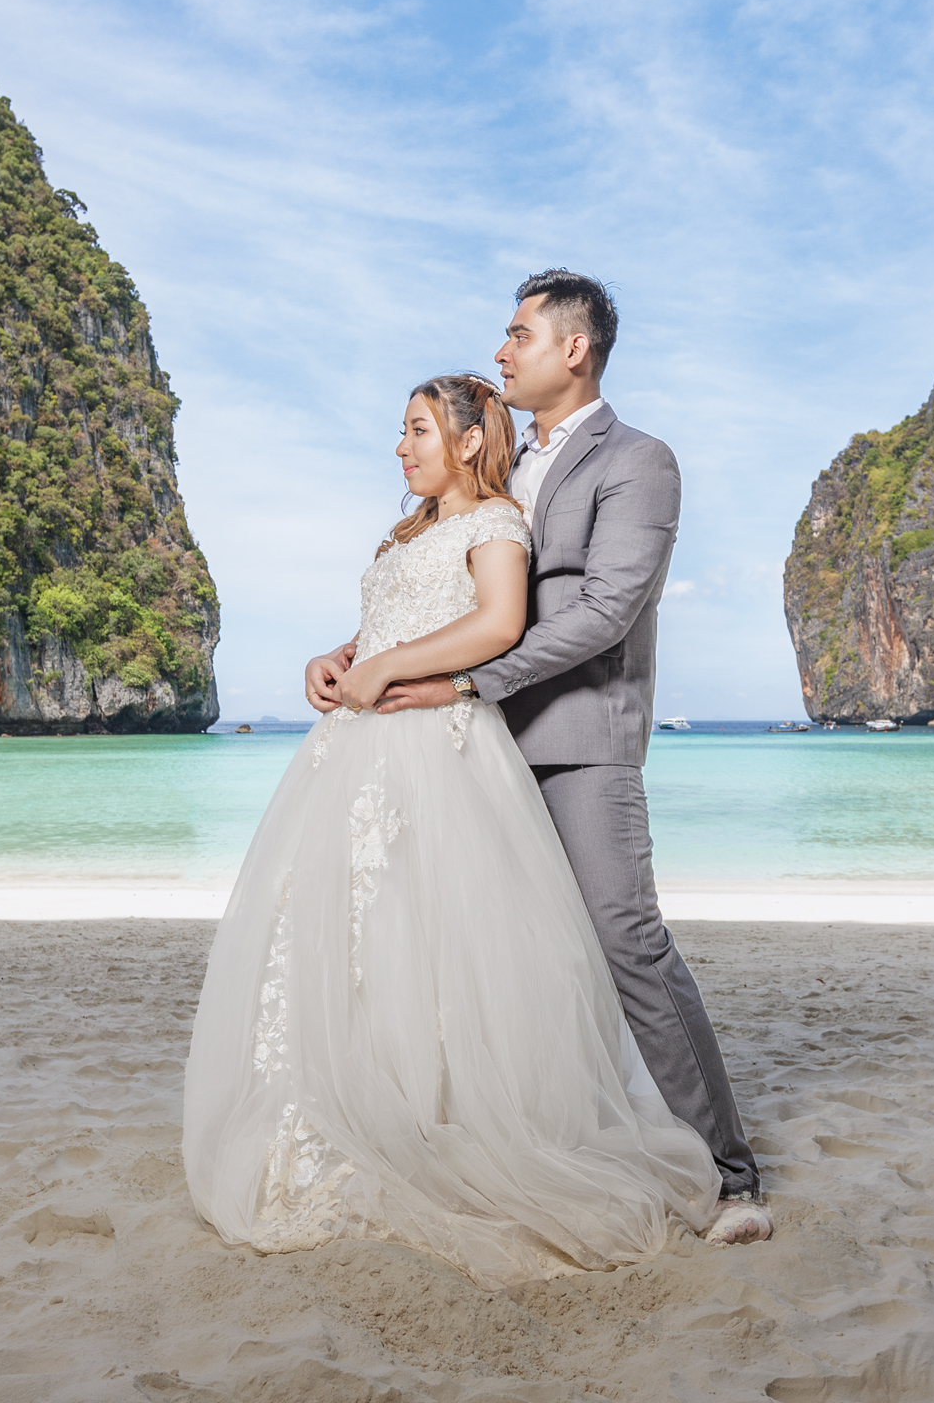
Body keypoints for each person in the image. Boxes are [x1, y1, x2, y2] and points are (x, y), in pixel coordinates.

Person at [182, 372, 720, 1289]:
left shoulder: (497, 522)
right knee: (347, 937)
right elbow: (385, 625)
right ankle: (362, 1112)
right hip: (353, 752)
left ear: (470, 441)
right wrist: (337, 658)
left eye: (419, 430)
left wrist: (391, 664)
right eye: (402, 432)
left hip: (436, 747)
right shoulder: (408, 531)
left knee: (435, 937)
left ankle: (453, 1127)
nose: (403, 447)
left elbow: (499, 625)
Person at [310, 270, 770, 1248]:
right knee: (492, 960)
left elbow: (605, 612)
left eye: (519, 333)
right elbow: (446, 593)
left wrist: (467, 683)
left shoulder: (639, 461)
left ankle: (730, 1177)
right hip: (468, 756)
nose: (501, 350)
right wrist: (352, 655)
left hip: (576, 744)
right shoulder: (498, 468)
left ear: (575, 347)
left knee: (627, 943)